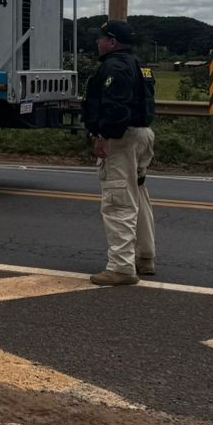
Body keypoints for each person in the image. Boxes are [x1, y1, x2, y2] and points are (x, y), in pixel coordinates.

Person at [81, 19, 157, 286]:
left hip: (122, 138)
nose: (97, 42)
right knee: (137, 194)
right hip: (143, 134)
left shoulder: (114, 67)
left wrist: (103, 135)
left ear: (112, 42)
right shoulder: (140, 65)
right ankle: (144, 257)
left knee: (118, 200)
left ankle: (121, 268)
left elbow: (116, 107)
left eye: (101, 38)